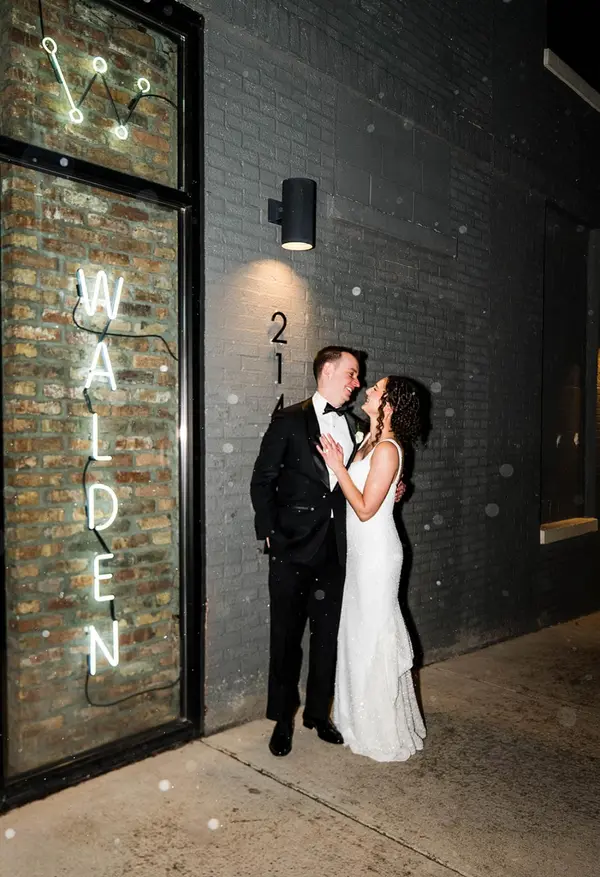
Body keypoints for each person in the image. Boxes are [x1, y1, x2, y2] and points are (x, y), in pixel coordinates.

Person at [317, 375, 426, 762]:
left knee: (374, 636)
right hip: (362, 553)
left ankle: (380, 728)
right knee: (357, 635)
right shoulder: (369, 441)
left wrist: (337, 467)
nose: (367, 391)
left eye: (376, 390)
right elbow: (374, 495)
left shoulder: (388, 449)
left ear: (389, 406)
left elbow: (364, 509)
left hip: (378, 556)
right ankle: (357, 720)